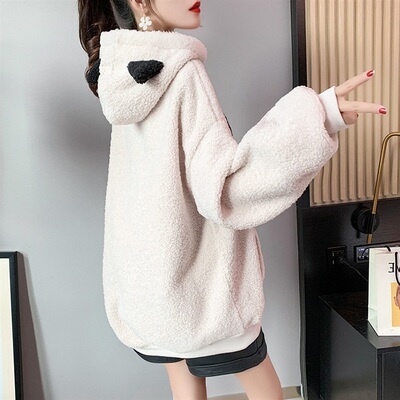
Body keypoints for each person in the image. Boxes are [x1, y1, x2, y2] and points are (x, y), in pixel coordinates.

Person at [78, 1, 386, 399]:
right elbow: (225, 191)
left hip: (149, 288)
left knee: (185, 388)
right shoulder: (183, 73)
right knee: (265, 390)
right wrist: (319, 117)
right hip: (205, 293)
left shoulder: (121, 73)